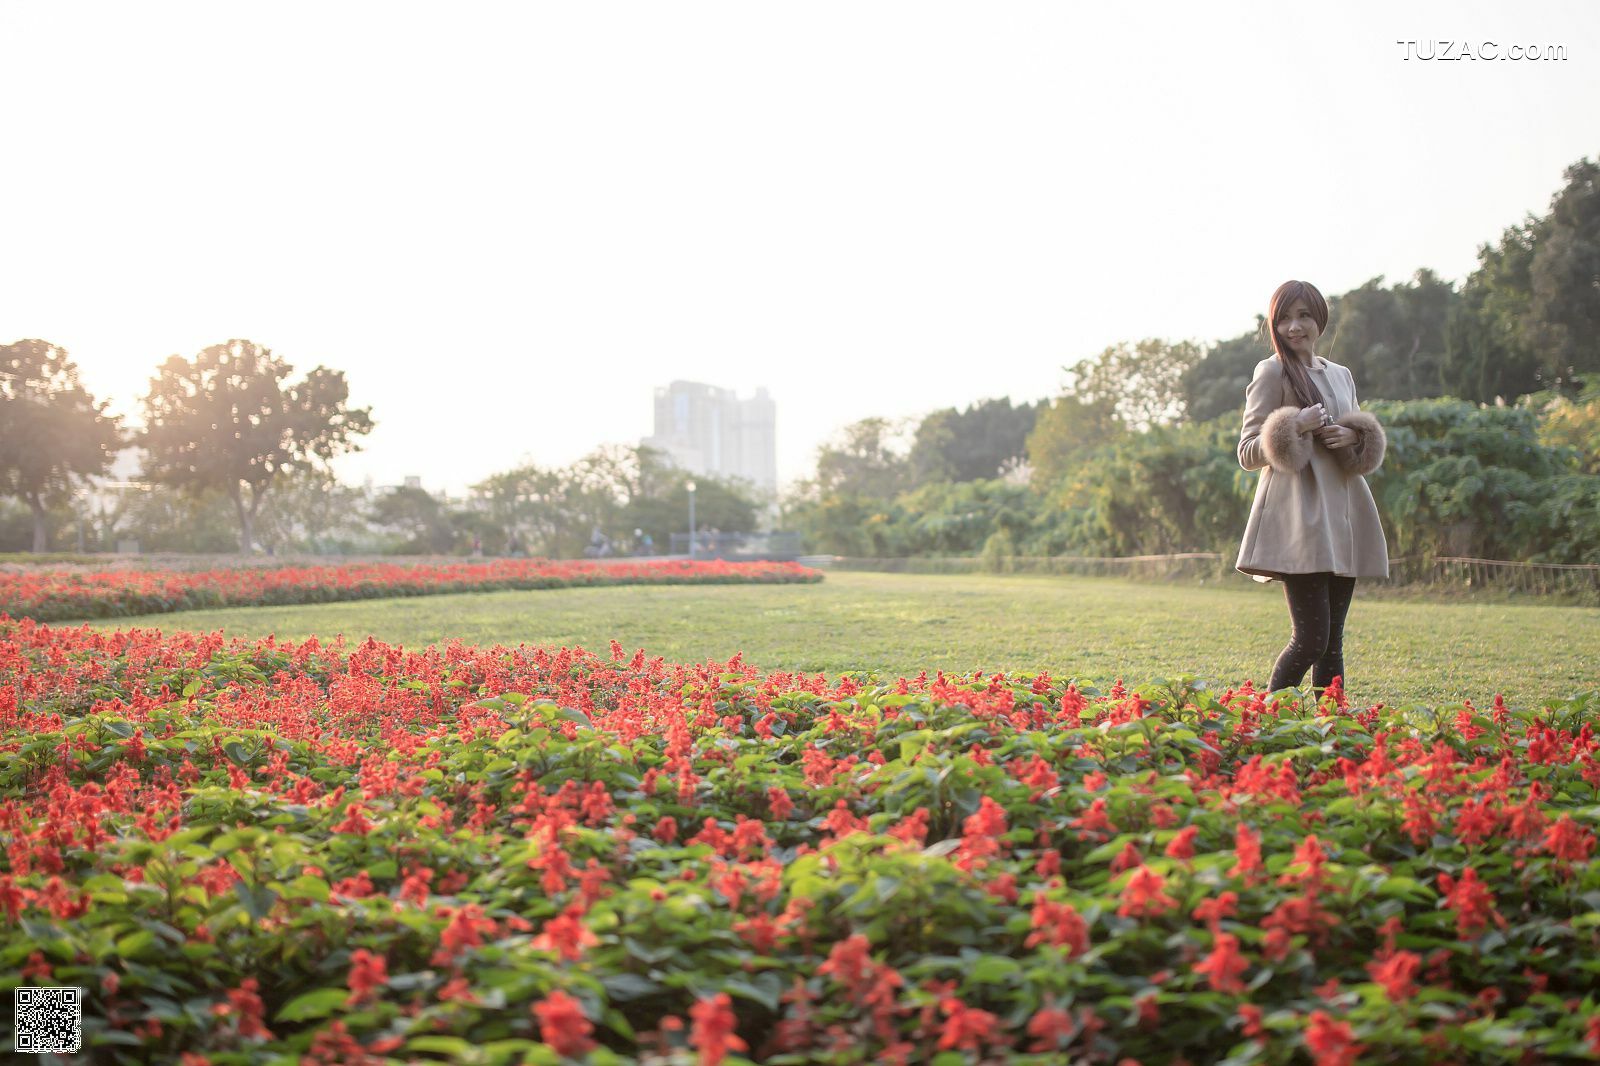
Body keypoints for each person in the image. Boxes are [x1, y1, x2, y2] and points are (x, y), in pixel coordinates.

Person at [1235, 280, 1390, 700]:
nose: (1294, 326)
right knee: (1310, 640)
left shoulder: (1340, 375)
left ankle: (1332, 732)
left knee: (1332, 644)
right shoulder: (1271, 371)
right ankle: (1265, 721)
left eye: (1303, 315)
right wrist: (1293, 425)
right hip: (1298, 520)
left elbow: (1359, 447)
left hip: (1344, 514)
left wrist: (1353, 437)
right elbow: (1247, 452)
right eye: (1284, 317)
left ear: (1319, 318)